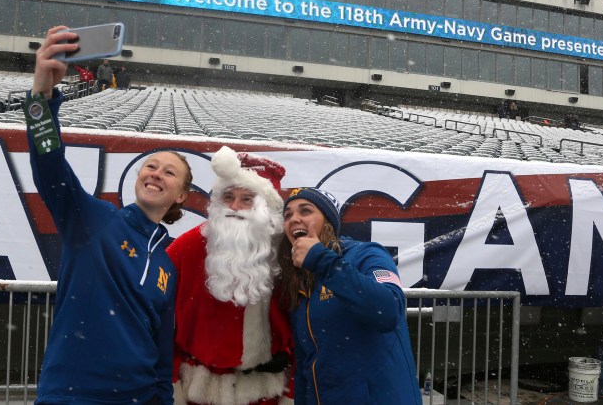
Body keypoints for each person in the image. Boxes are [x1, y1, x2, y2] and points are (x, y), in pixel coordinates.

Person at [25, 26, 193, 404]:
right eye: (151, 165)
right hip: (72, 397)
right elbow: (49, 165)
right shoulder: (94, 219)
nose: (155, 173)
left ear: (180, 195)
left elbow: (162, 354)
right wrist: (41, 98)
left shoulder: (167, 266)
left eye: (169, 172)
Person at [167, 146, 293, 405]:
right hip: (198, 392)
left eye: (247, 199)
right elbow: (159, 324)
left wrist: (291, 392)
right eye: (228, 197)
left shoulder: (288, 255)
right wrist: (171, 384)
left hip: (266, 393)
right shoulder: (185, 249)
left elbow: (306, 333)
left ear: (266, 208)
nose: (235, 207)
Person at [279, 187, 422, 404]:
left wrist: (322, 261)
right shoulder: (300, 281)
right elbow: (306, 364)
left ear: (328, 221)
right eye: (288, 215)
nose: (294, 219)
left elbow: (389, 310)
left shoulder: (367, 254)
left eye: (305, 211)